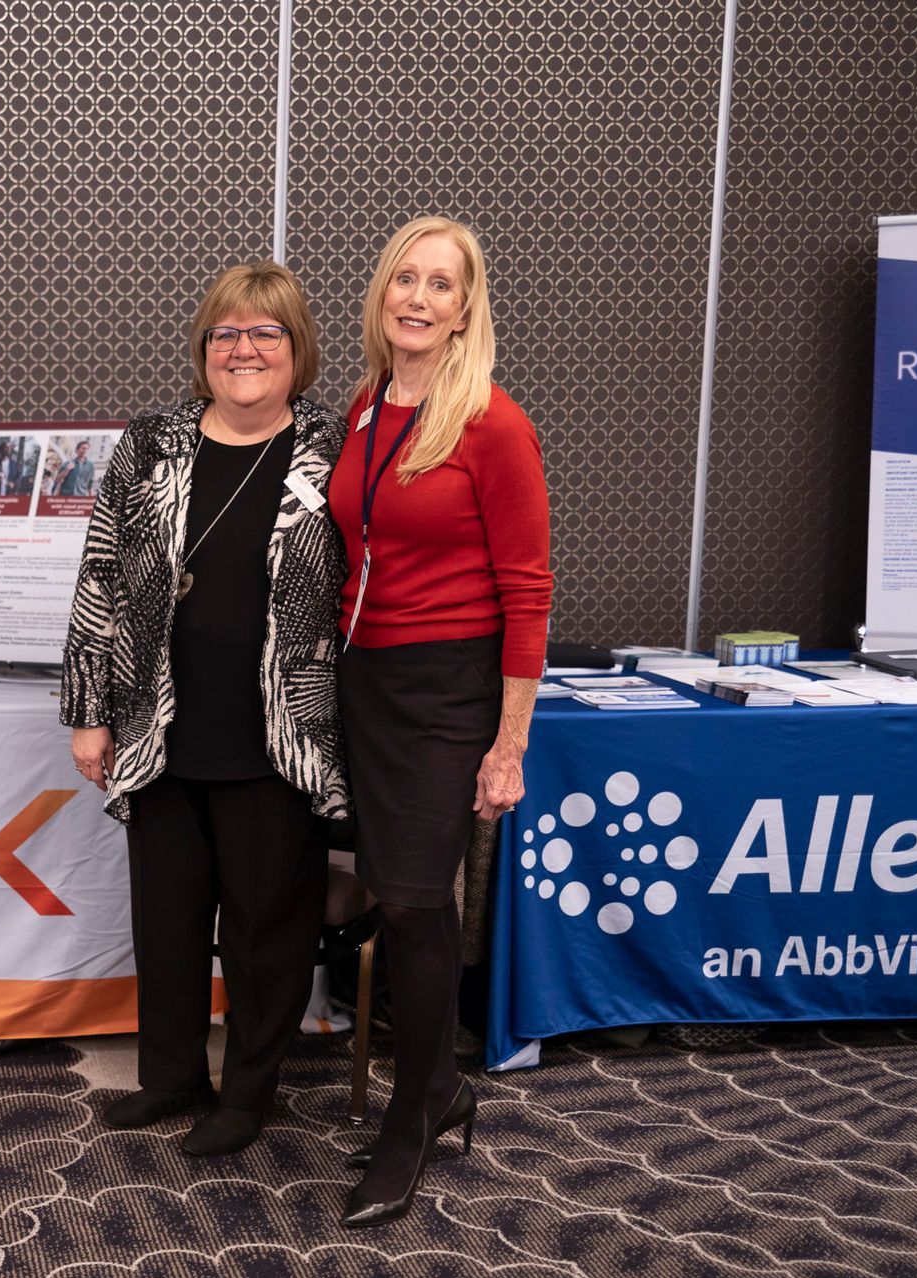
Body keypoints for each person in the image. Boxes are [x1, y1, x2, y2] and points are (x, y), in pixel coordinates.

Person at [62, 261, 350, 1157]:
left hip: (281, 736)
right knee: (169, 923)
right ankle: (173, 1077)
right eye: (226, 333)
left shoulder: (338, 453)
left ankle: (248, 1095)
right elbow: (100, 575)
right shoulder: (151, 443)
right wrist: (88, 709)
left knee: (268, 935)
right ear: (203, 350)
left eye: (266, 333)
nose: (244, 349)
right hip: (158, 726)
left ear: (297, 349)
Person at [327, 217, 552, 1226]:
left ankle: (413, 1116)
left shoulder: (492, 423)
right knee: (397, 896)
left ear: (466, 309)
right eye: (403, 279)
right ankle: (438, 1087)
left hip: (447, 688)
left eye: (440, 285)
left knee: (420, 903)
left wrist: (509, 743)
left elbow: (529, 592)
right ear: (382, 297)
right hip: (364, 683)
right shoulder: (366, 407)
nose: (417, 297)